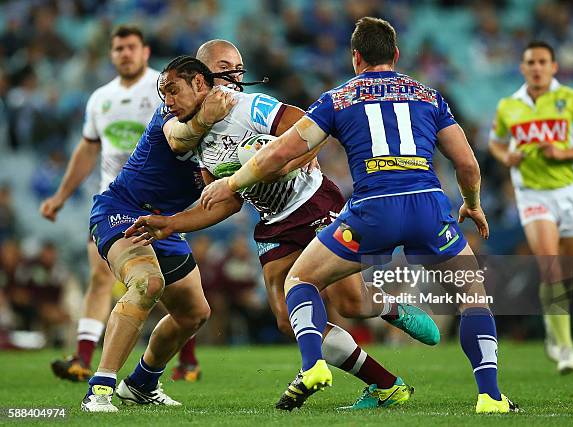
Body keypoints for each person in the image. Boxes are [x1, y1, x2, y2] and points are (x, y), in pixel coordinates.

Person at [200, 18, 518, 414]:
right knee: (473, 296)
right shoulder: (429, 96)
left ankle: (312, 365)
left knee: (301, 279)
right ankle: (490, 396)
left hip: (373, 211)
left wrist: (231, 184)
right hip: (427, 206)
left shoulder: (338, 99)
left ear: (356, 58)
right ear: (396, 55)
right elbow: (467, 164)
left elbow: (279, 153)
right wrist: (471, 203)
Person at [125, 40, 440, 410]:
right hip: (273, 220)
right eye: (226, 67)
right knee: (287, 321)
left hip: (313, 202)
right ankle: (387, 384)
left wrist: (284, 163)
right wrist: (172, 223)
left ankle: (389, 312)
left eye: (239, 68)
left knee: (351, 303)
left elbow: (310, 131)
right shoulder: (194, 138)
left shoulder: (252, 106)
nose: (236, 76)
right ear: (202, 77)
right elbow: (226, 200)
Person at [39, 25, 201, 382]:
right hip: (116, 201)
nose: (124, 54)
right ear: (111, 55)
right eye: (118, 49)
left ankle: (184, 359)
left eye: (131, 47)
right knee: (113, 277)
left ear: (145, 52)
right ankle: (86, 360)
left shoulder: (165, 88)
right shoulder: (100, 98)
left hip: (163, 205)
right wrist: (61, 197)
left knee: (178, 296)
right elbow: (88, 148)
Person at [80, 55, 236, 412]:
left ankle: (140, 385)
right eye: (163, 91)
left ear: (201, 83)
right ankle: (100, 388)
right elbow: (180, 141)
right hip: (122, 211)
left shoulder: (233, 128)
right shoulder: (170, 117)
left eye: (172, 90)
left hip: (164, 222)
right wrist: (207, 117)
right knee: (146, 282)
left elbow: (225, 201)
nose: (166, 98)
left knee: (194, 313)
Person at [489, 41, 573, 374]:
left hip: (570, 192)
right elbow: (496, 142)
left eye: (543, 61)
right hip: (532, 195)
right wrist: (505, 157)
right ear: (523, 68)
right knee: (551, 268)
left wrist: (563, 153)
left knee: (566, 272)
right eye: (531, 62)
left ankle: (555, 331)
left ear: (554, 67)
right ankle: (565, 347)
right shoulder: (509, 106)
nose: (537, 67)